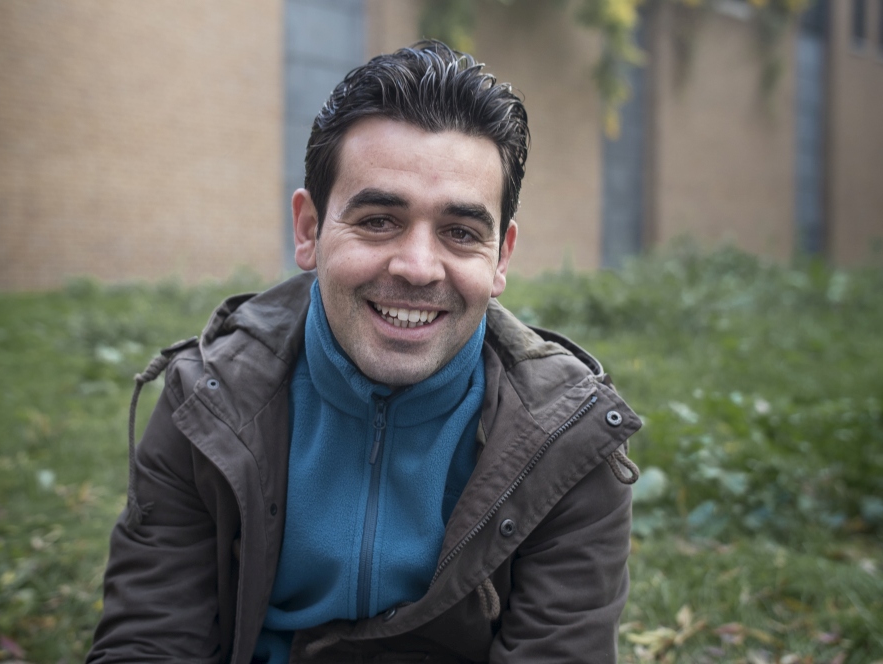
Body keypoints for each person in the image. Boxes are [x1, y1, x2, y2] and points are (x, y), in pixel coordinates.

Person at [87, 40, 640, 664]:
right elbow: (149, 643)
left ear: (501, 257)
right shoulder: (208, 405)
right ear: (309, 230)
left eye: (460, 232)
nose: (417, 267)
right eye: (379, 220)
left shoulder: (569, 442)